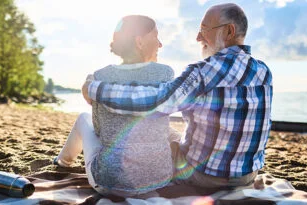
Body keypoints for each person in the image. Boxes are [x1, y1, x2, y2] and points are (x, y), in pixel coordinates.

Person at [86, 3, 273, 189]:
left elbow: (156, 101)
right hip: (247, 175)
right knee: (168, 132)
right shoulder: (264, 71)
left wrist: (96, 89)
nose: (198, 37)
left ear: (229, 31)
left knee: (153, 130)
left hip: (204, 176)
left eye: (204, 29)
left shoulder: (204, 71)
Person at [54, 15, 175, 197]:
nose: (160, 44)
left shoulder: (101, 76)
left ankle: (62, 162)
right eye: (156, 36)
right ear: (139, 42)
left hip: (110, 183)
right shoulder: (166, 73)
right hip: (158, 180)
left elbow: (99, 130)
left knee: (83, 119)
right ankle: (62, 161)